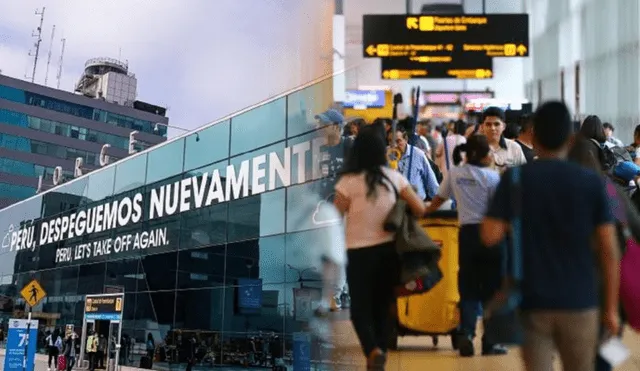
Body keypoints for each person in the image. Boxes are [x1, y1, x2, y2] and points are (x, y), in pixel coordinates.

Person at [481, 101, 621, 371]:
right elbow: (608, 249)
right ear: (570, 139)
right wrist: (611, 309)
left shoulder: (515, 180)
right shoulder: (591, 183)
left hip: (533, 302)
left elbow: (489, 235)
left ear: (532, 136)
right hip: (581, 301)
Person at [334, 125, 427, 370]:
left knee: (360, 309)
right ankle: (381, 352)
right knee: (384, 306)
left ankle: (372, 350)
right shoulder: (394, 178)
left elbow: (335, 215)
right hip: (388, 252)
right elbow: (420, 209)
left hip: (358, 253)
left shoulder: (348, 182)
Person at [426, 134, 507, 357]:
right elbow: (499, 211)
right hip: (490, 236)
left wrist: (422, 212)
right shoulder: (492, 178)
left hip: (467, 236)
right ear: (480, 155)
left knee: (469, 288)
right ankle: (489, 342)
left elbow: (437, 201)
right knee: (491, 290)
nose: (492, 155)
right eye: (489, 152)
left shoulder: (455, 174)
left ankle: (467, 335)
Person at [568, 137, 640, 371]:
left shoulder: (567, 193)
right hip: (616, 287)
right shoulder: (613, 191)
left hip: (579, 289)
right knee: (608, 346)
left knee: (581, 354)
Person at [392, 129, 440, 200]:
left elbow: (431, 181)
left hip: (417, 202)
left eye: (398, 141)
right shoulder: (387, 155)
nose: (394, 145)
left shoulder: (418, 154)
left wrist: (436, 203)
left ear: (405, 139)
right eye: (391, 141)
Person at [481, 106, 527, 172]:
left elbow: (523, 173)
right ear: (482, 127)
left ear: (504, 126)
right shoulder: (475, 147)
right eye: (488, 124)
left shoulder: (514, 147)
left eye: (496, 124)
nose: (492, 128)